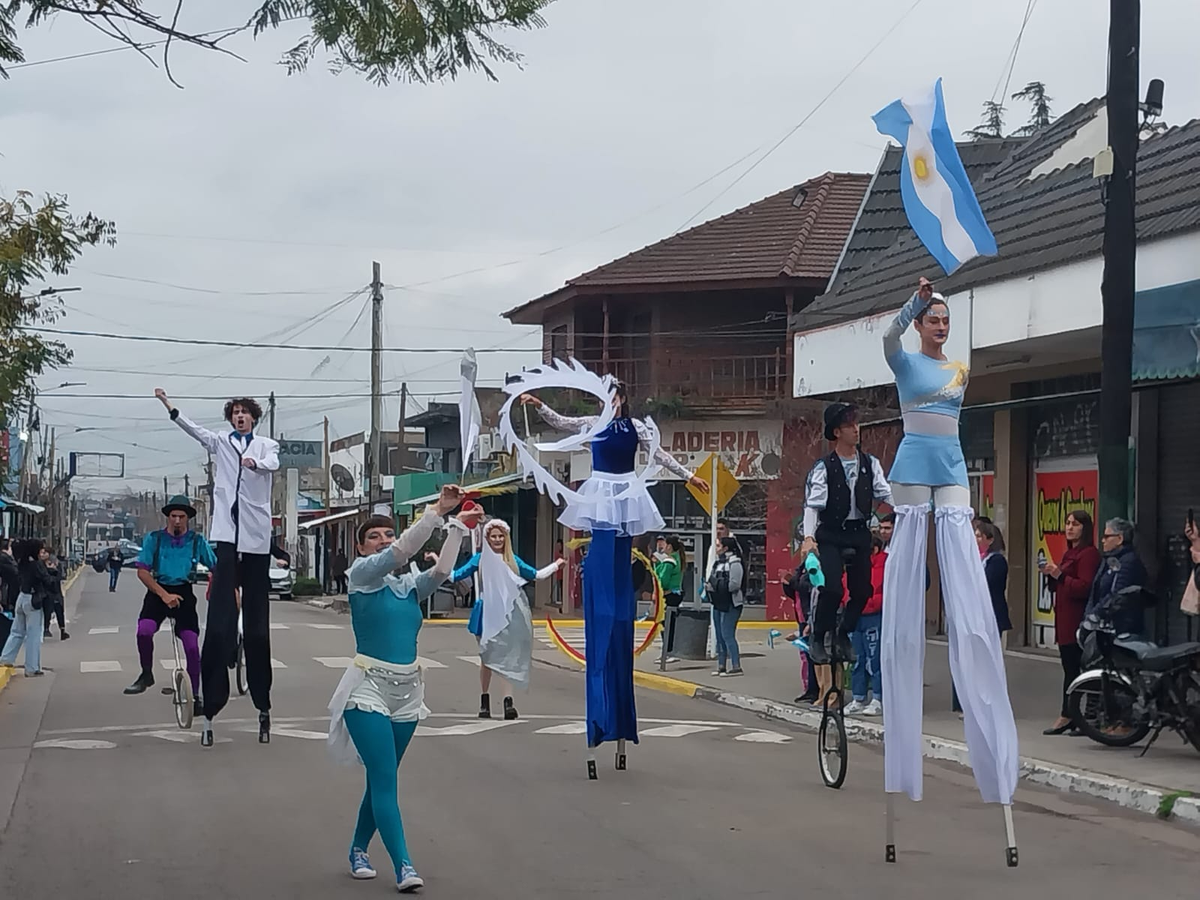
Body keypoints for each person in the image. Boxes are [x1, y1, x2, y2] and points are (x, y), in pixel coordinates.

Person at [880, 277, 1019, 856]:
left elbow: (953, 416)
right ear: (920, 324)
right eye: (933, 319)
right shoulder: (905, 362)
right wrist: (912, 300)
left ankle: (984, 695)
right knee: (909, 563)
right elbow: (888, 336)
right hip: (913, 464)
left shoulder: (960, 371)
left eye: (944, 318)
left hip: (954, 465)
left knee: (963, 552)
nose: (941, 325)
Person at [520, 382, 709, 774]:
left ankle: (622, 594)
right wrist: (538, 405)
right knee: (606, 547)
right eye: (604, 396)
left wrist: (690, 476)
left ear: (622, 398)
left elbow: (660, 455)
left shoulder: (637, 428)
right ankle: (606, 594)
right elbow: (563, 422)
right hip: (603, 488)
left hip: (626, 488)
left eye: (614, 396)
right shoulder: (594, 423)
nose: (609, 402)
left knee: (623, 547)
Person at [326, 484, 480, 892]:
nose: (384, 541)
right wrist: (435, 511)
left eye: (388, 533)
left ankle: (359, 847)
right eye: (373, 537)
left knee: (383, 778)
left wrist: (458, 530)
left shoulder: (408, 586)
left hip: (409, 691)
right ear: (362, 549)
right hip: (367, 689)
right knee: (384, 778)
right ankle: (404, 866)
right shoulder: (360, 576)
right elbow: (400, 553)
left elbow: (443, 572)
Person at [155, 388, 280, 747]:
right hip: (228, 534)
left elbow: (272, 463)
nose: (239, 417)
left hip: (255, 536)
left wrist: (256, 464)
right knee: (220, 622)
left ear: (253, 417)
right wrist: (170, 406)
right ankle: (210, 705)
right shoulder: (221, 441)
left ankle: (262, 701)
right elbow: (193, 430)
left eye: (244, 413)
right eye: (235, 413)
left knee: (257, 628)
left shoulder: (265, 445)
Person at [800, 402, 893, 665]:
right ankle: (818, 636)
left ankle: (843, 633)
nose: (856, 429)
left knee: (862, 590)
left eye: (856, 424)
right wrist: (809, 537)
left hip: (859, 533)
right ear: (837, 432)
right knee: (831, 589)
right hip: (831, 533)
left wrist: (909, 509)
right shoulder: (824, 467)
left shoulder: (869, 463)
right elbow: (813, 506)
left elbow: (885, 493)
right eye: (849, 425)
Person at [443, 517, 562, 720]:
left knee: (506, 657)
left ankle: (508, 703)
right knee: (487, 659)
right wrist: (438, 563)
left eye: (501, 536)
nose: (497, 540)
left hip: (508, 614)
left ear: (506, 538)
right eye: (493, 536)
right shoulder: (479, 559)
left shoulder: (512, 560)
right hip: (485, 612)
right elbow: (455, 576)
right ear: (487, 538)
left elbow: (536, 574)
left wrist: (557, 565)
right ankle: (484, 701)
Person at [124, 495, 217, 717]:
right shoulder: (154, 539)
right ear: (168, 517)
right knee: (144, 632)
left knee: (192, 647)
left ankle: (195, 695)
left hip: (184, 592)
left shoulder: (196, 541)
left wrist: (221, 586)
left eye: (181, 517)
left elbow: (216, 566)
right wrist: (164, 595)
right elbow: (142, 571)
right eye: (173, 516)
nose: (177, 521)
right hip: (158, 590)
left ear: (187, 519)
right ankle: (146, 673)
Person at [1042, 510, 1101, 735]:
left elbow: (1085, 587)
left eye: (1075, 524)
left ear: (1085, 528)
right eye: (1067, 523)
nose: (1070, 528)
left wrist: (1061, 576)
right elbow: (1060, 584)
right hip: (1064, 620)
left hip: (1077, 620)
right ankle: (1073, 715)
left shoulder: (1088, 554)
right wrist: (1052, 574)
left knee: (1079, 670)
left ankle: (1074, 714)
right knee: (1069, 668)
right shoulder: (1070, 554)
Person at [1085, 518, 1148, 637]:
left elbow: (1117, 594)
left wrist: (1096, 614)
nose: (1103, 540)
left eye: (1107, 536)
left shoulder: (1129, 562)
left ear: (1120, 538)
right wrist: (1089, 616)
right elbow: (1095, 591)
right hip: (1102, 627)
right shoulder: (1108, 560)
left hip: (1122, 629)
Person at [0, 539, 53, 677]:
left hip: (22, 598)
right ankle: (32, 668)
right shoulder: (37, 565)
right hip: (33, 600)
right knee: (33, 635)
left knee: (16, 631)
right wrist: (53, 572)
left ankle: (6, 658)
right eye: (40, 550)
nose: (42, 553)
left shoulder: (22, 563)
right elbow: (47, 581)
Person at [847, 534, 885, 716]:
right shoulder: (855, 564)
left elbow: (883, 591)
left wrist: (869, 604)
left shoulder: (884, 564)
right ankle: (859, 697)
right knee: (858, 659)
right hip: (857, 615)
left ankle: (878, 698)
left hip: (873, 616)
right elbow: (846, 585)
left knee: (874, 658)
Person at [705, 535, 745, 676]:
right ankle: (721, 665)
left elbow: (734, 585)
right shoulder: (718, 563)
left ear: (726, 548)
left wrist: (717, 586)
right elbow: (712, 579)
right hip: (718, 601)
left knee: (728, 634)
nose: (716, 549)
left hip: (731, 603)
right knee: (720, 635)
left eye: (718, 546)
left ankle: (736, 666)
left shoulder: (735, 563)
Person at [654, 535, 686, 655]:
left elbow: (663, 580)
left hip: (669, 595)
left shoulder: (669, 562)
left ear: (669, 546)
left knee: (666, 625)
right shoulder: (677, 558)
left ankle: (668, 651)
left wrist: (656, 566)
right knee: (670, 624)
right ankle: (669, 650)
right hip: (675, 594)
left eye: (664, 544)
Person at [43, 551, 69, 640]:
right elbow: (59, 578)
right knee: (58, 613)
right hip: (54, 594)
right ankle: (62, 630)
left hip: (50, 595)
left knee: (49, 613)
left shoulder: (46, 570)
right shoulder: (53, 571)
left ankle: (47, 629)